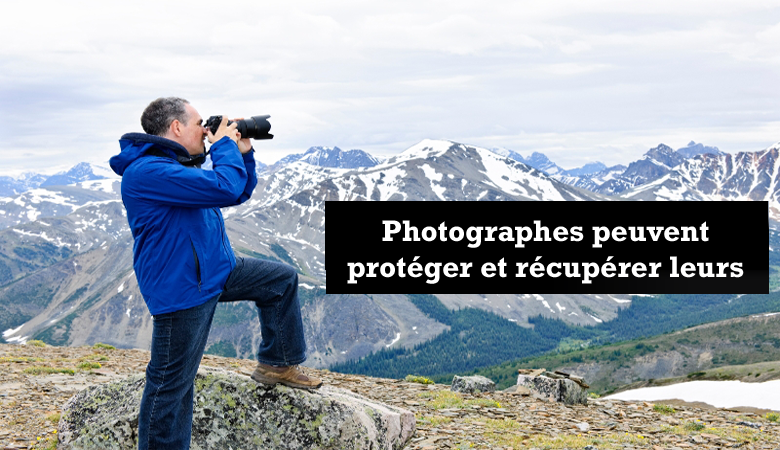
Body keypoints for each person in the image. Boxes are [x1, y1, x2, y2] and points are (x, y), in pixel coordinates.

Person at [109, 97, 321, 450]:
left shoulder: (177, 166)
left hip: (216, 271)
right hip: (183, 288)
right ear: (176, 127)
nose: (205, 133)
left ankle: (277, 364)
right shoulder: (148, 172)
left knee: (280, 281)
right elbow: (224, 186)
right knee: (171, 385)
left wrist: (244, 151)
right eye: (198, 125)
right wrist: (224, 144)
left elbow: (237, 192)